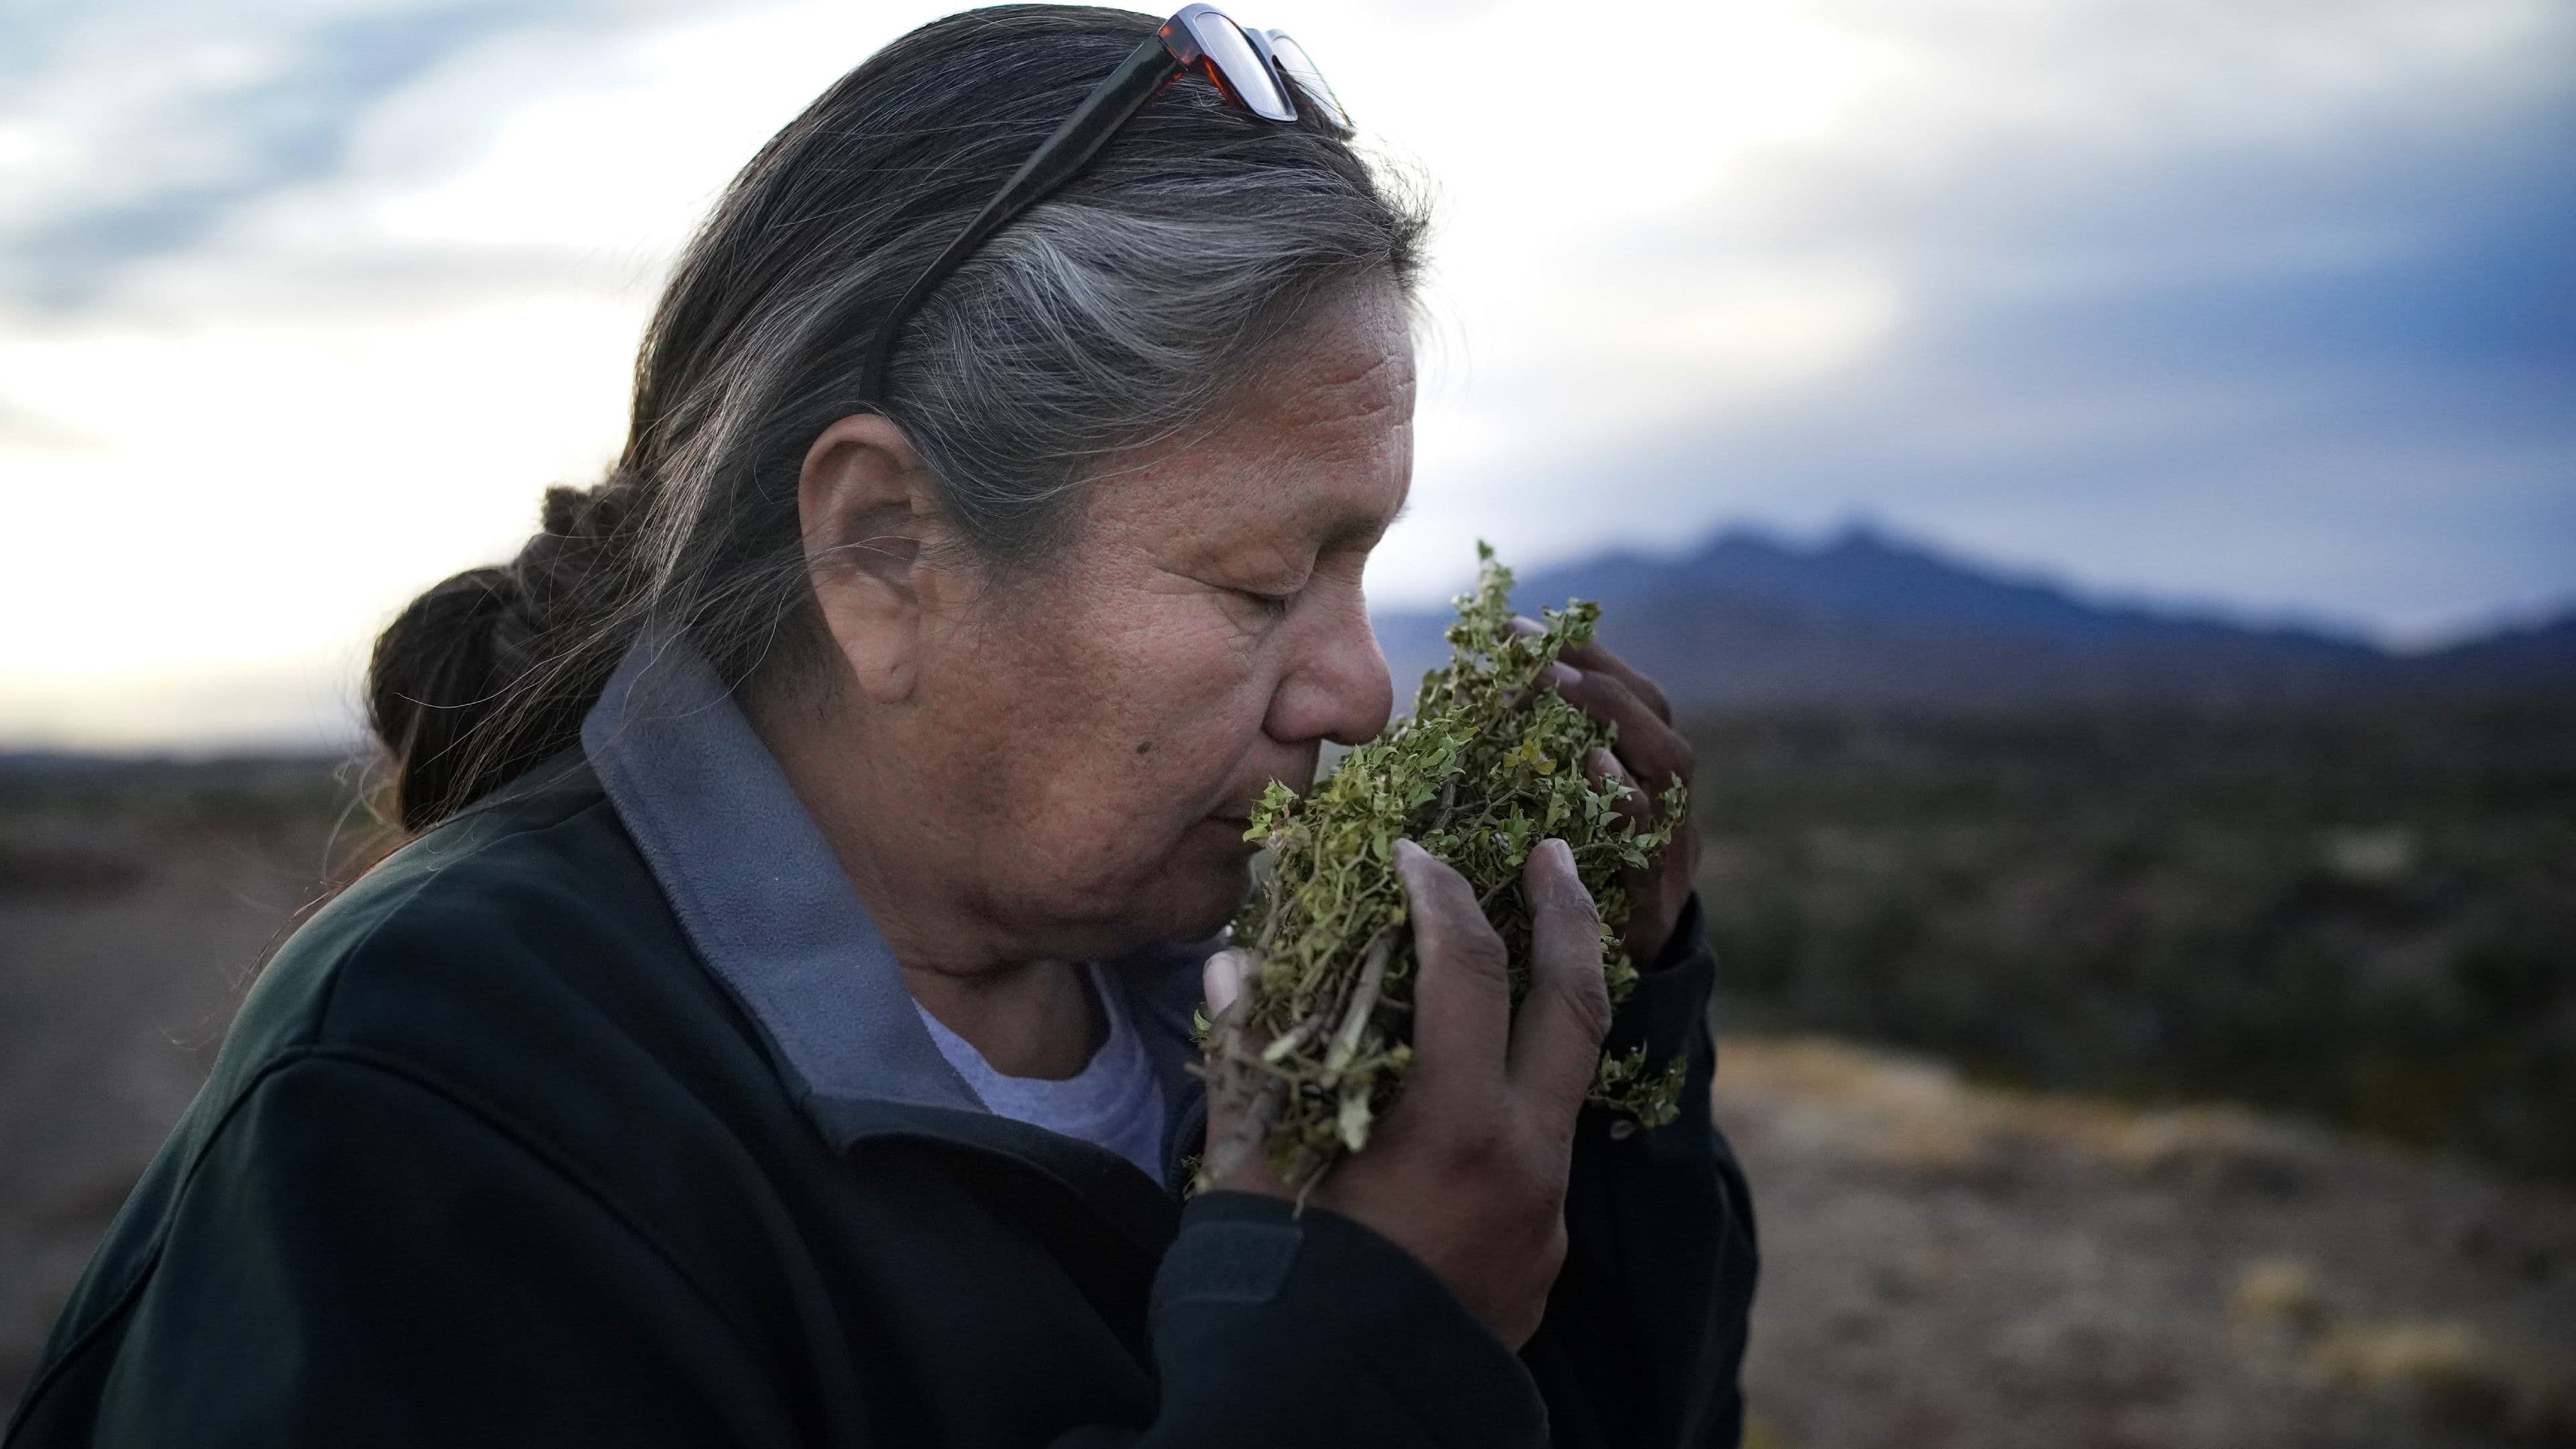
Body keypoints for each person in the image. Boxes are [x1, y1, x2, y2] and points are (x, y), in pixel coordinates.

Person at [5, 6, 1756, 1446]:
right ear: (884, 550)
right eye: (1254, 582)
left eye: (1362, 563)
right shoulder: (436, 1111)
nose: (1360, 690)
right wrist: (1350, 1365)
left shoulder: (1241, 968)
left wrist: (1594, 1085)